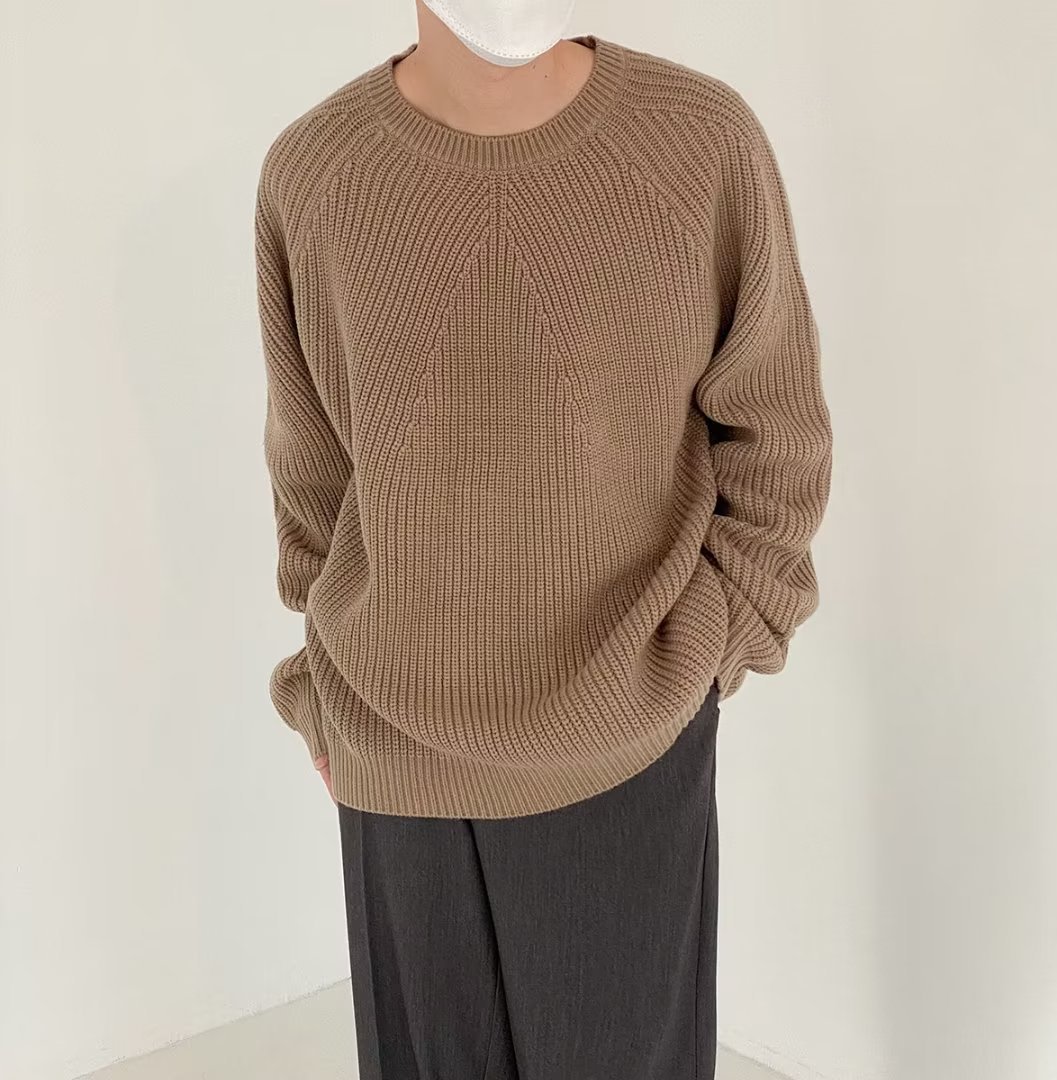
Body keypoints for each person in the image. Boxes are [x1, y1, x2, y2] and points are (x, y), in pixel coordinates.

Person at [253, 0, 833, 1075]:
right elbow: (317, 485)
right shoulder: (315, 173)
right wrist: (323, 699)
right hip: (394, 766)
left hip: (629, 744)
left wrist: (703, 653)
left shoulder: (700, 143)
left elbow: (778, 442)